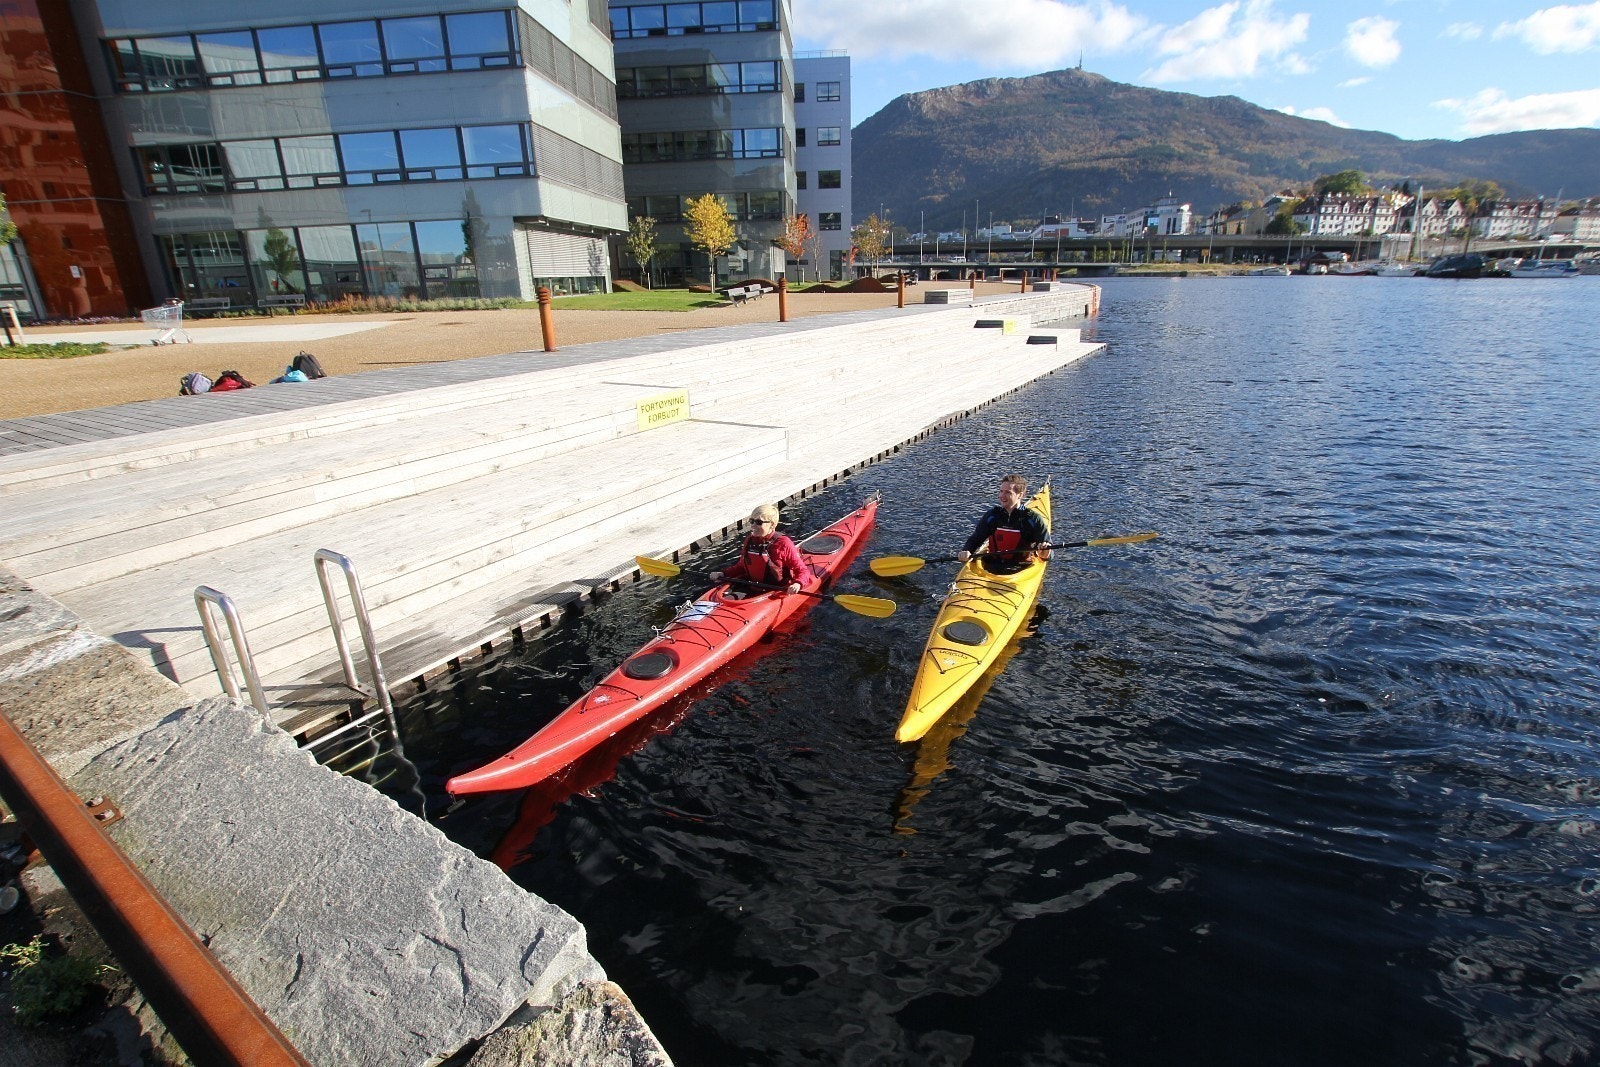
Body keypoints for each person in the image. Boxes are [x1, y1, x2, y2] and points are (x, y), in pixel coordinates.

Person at [958, 474, 1051, 573]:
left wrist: (1045, 552)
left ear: (1020, 494)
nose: (1001, 496)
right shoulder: (992, 516)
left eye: (1007, 492)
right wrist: (967, 551)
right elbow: (975, 539)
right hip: (992, 566)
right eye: (1001, 491)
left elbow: (1049, 554)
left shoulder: (1033, 519)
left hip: (1021, 569)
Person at [710, 504, 811, 593]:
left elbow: (802, 570)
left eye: (758, 522)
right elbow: (741, 567)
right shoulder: (749, 540)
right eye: (752, 521)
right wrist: (723, 573)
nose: (753, 525)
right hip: (752, 587)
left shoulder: (784, 543)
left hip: (775, 590)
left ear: (771, 524)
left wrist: (798, 584)